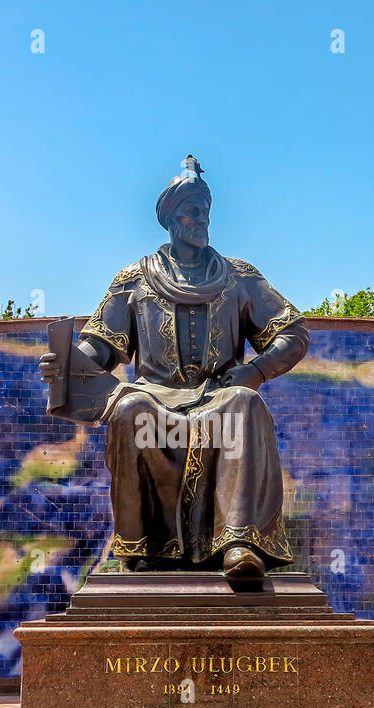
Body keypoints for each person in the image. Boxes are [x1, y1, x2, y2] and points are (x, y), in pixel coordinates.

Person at [39, 156, 308, 580]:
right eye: (191, 210)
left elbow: (292, 334)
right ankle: (143, 549)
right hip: (154, 400)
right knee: (129, 411)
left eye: (205, 211)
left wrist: (255, 372)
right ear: (170, 218)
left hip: (219, 396)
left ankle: (240, 545)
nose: (200, 218)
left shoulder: (240, 277)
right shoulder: (134, 278)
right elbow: (101, 347)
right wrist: (67, 363)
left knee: (244, 403)